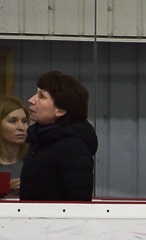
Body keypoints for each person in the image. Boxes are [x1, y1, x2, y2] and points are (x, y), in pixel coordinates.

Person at [20, 72, 97, 201]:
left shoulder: (73, 148)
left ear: (60, 111)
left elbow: (78, 203)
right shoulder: (39, 139)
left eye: (41, 96)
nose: (31, 100)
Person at [0, 96, 30, 196]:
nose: (21, 127)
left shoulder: (33, 162)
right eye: (13, 121)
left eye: (24, 121)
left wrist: (28, 187)